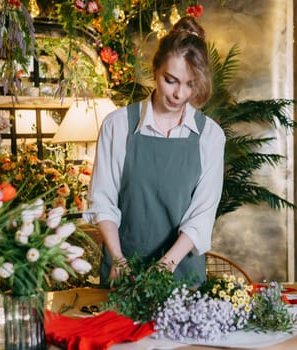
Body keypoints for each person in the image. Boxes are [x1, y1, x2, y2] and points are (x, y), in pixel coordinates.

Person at [84, 16, 226, 286]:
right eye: (170, 80)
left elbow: (202, 215)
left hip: (183, 276)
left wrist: (165, 265)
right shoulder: (117, 126)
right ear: (155, 70)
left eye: (190, 84)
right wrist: (118, 258)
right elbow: (102, 201)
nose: (179, 94)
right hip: (122, 271)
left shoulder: (209, 136)